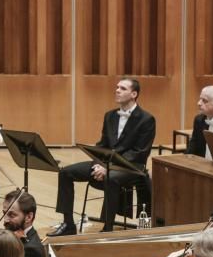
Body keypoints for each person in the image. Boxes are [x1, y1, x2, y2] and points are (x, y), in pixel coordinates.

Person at [49, 78, 156, 235]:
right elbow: (102, 145)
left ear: (134, 94)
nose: (117, 90)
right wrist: (98, 164)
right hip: (106, 164)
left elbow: (139, 153)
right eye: (117, 87)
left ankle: (108, 228)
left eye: (123, 88)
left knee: (111, 178)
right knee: (65, 172)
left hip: (132, 167)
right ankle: (68, 224)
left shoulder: (147, 119)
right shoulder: (110, 116)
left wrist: (109, 167)